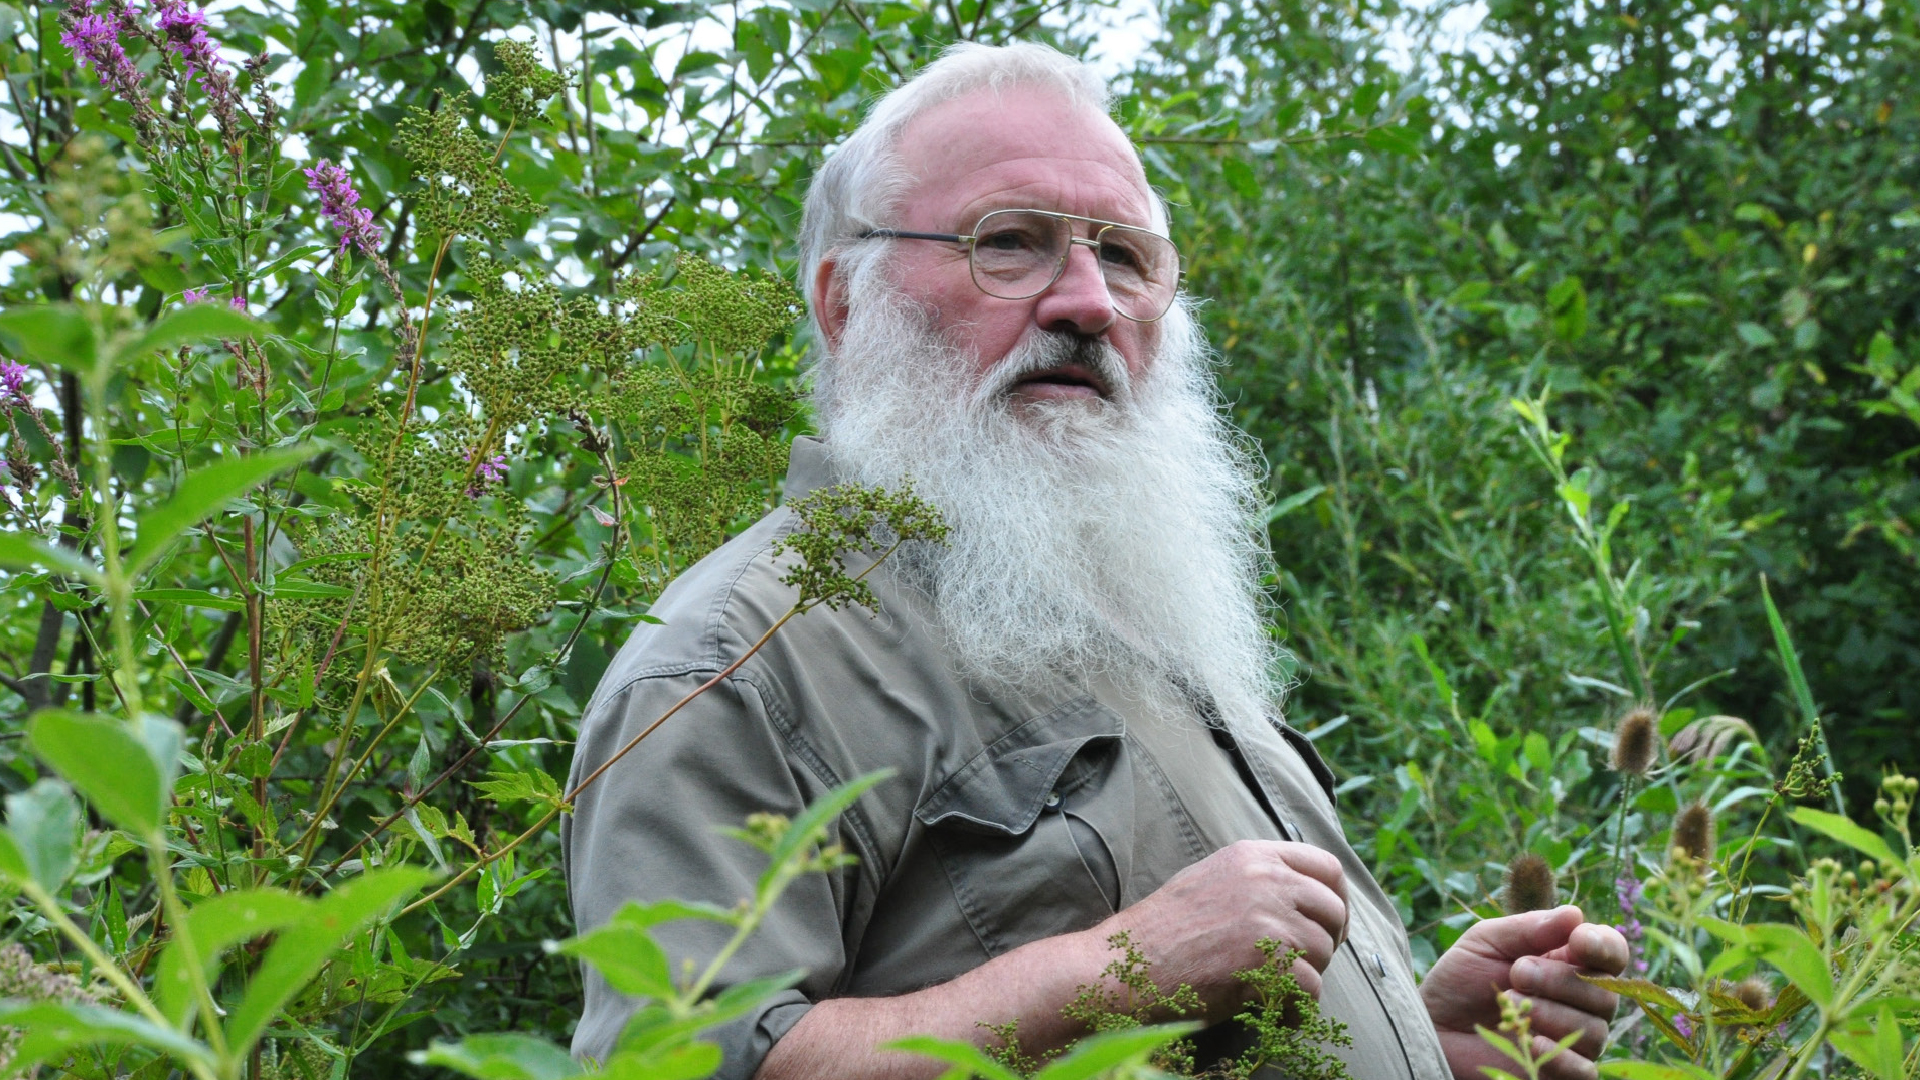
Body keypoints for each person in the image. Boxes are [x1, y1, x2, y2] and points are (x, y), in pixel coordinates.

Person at [563, 40, 1628, 1080]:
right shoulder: (740, 663)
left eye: (1122, 255)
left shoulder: (1127, 613)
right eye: (1010, 242)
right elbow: (676, 1065)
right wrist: (1120, 972)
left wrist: (1412, 1037)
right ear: (846, 304)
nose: (1087, 303)